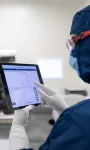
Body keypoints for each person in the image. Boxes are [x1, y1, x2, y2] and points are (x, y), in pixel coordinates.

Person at [9, 5, 90, 150]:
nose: (71, 54)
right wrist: (64, 111)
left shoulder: (81, 120)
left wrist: (18, 127)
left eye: (71, 44)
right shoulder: (80, 119)